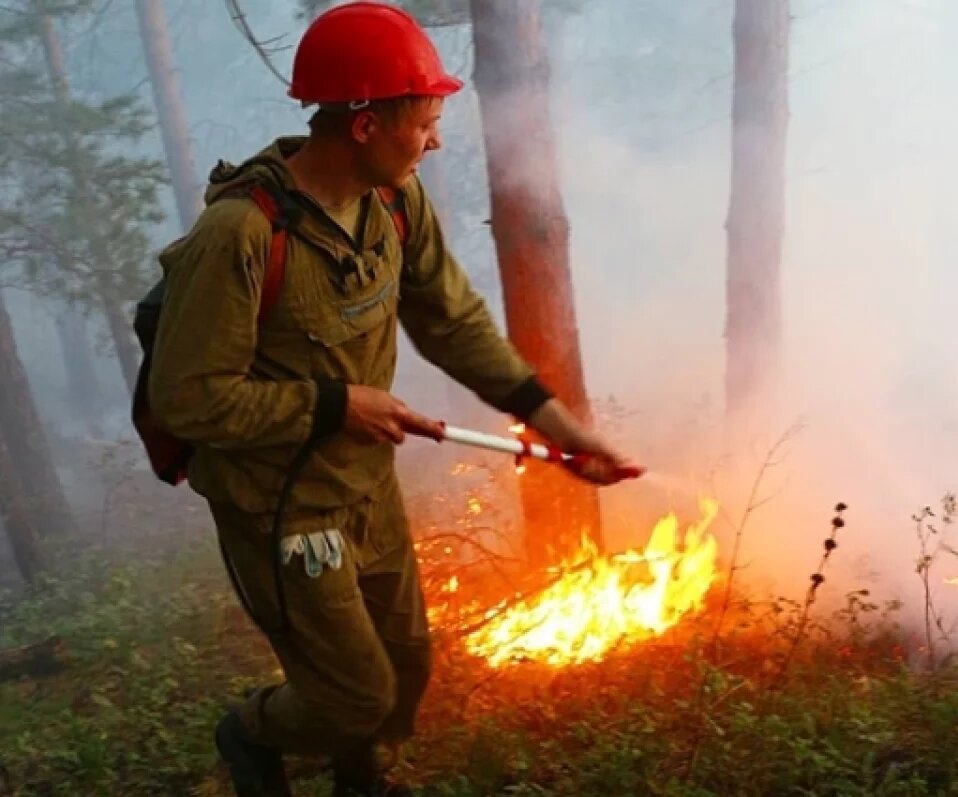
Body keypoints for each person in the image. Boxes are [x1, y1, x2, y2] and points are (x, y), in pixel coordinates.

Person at [145, 3, 634, 795]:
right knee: (355, 693)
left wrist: (558, 424)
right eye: (426, 119)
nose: (436, 138)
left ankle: (356, 774)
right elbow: (188, 401)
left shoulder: (395, 207)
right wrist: (339, 405)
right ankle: (250, 730)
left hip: (365, 488)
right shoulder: (240, 236)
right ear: (366, 124)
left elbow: (454, 321)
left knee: (404, 673)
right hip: (281, 507)